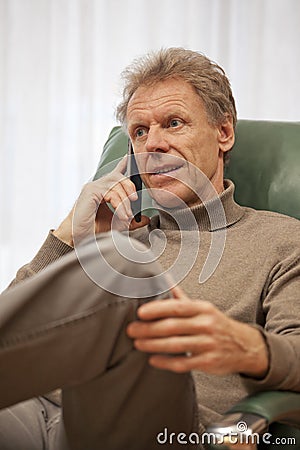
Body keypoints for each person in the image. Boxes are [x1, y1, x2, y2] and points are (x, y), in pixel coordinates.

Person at [1, 48, 299, 450]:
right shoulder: (110, 236)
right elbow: (21, 335)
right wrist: (71, 234)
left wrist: (248, 347)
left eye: (173, 123)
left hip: (161, 427)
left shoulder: (281, 240)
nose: (152, 144)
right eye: (139, 131)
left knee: (132, 273)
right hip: (36, 409)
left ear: (223, 132)